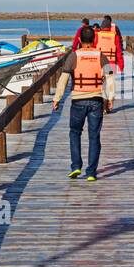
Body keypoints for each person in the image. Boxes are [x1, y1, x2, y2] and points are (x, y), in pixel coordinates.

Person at [53, 25, 114, 181]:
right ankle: (92, 172)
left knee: (75, 133)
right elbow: (110, 78)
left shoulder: (74, 56)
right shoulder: (101, 56)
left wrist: (57, 99)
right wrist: (110, 98)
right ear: (94, 39)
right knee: (94, 136)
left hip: (78, 100)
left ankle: (76, 166)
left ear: (80, 40)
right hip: (96, 100)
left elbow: (63, 79)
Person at [94, 15, 124, 112]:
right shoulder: (114, 36)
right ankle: (110, 101)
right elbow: (119, 52)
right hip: (111, 64)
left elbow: (93, 49)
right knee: (110, 84)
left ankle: (103, 102)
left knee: (101, 85)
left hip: (99, 64)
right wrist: (121, 65)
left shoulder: (97, 35)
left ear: (102, 27)